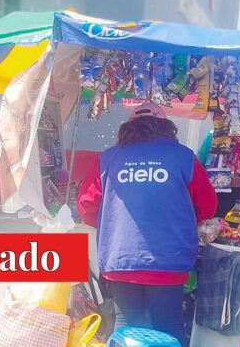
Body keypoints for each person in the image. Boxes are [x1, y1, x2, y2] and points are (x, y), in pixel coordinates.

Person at [78, 102, 216, 345]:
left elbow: (86, 206)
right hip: (167, 259)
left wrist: (112, 224)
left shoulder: (109, 158)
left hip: (120, 259)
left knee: (126, 326)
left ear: (128, 127)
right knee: (168, 328)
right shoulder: (183, 156)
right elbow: (207, 205)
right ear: (166, 127)